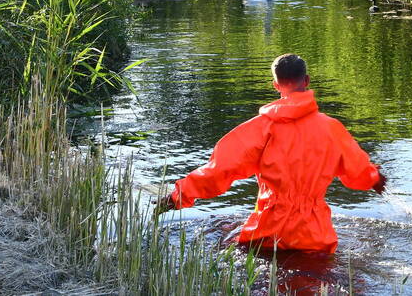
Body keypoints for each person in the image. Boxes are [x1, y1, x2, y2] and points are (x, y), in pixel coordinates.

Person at [156, 53, 387, 253]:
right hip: (316, 235)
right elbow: (358, 171)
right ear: (306, 81)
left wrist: (178, 195)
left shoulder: (261, 128)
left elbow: (219, 170)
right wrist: (374, 178)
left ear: (275, 85)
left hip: (268, 228)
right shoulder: (332, 128)